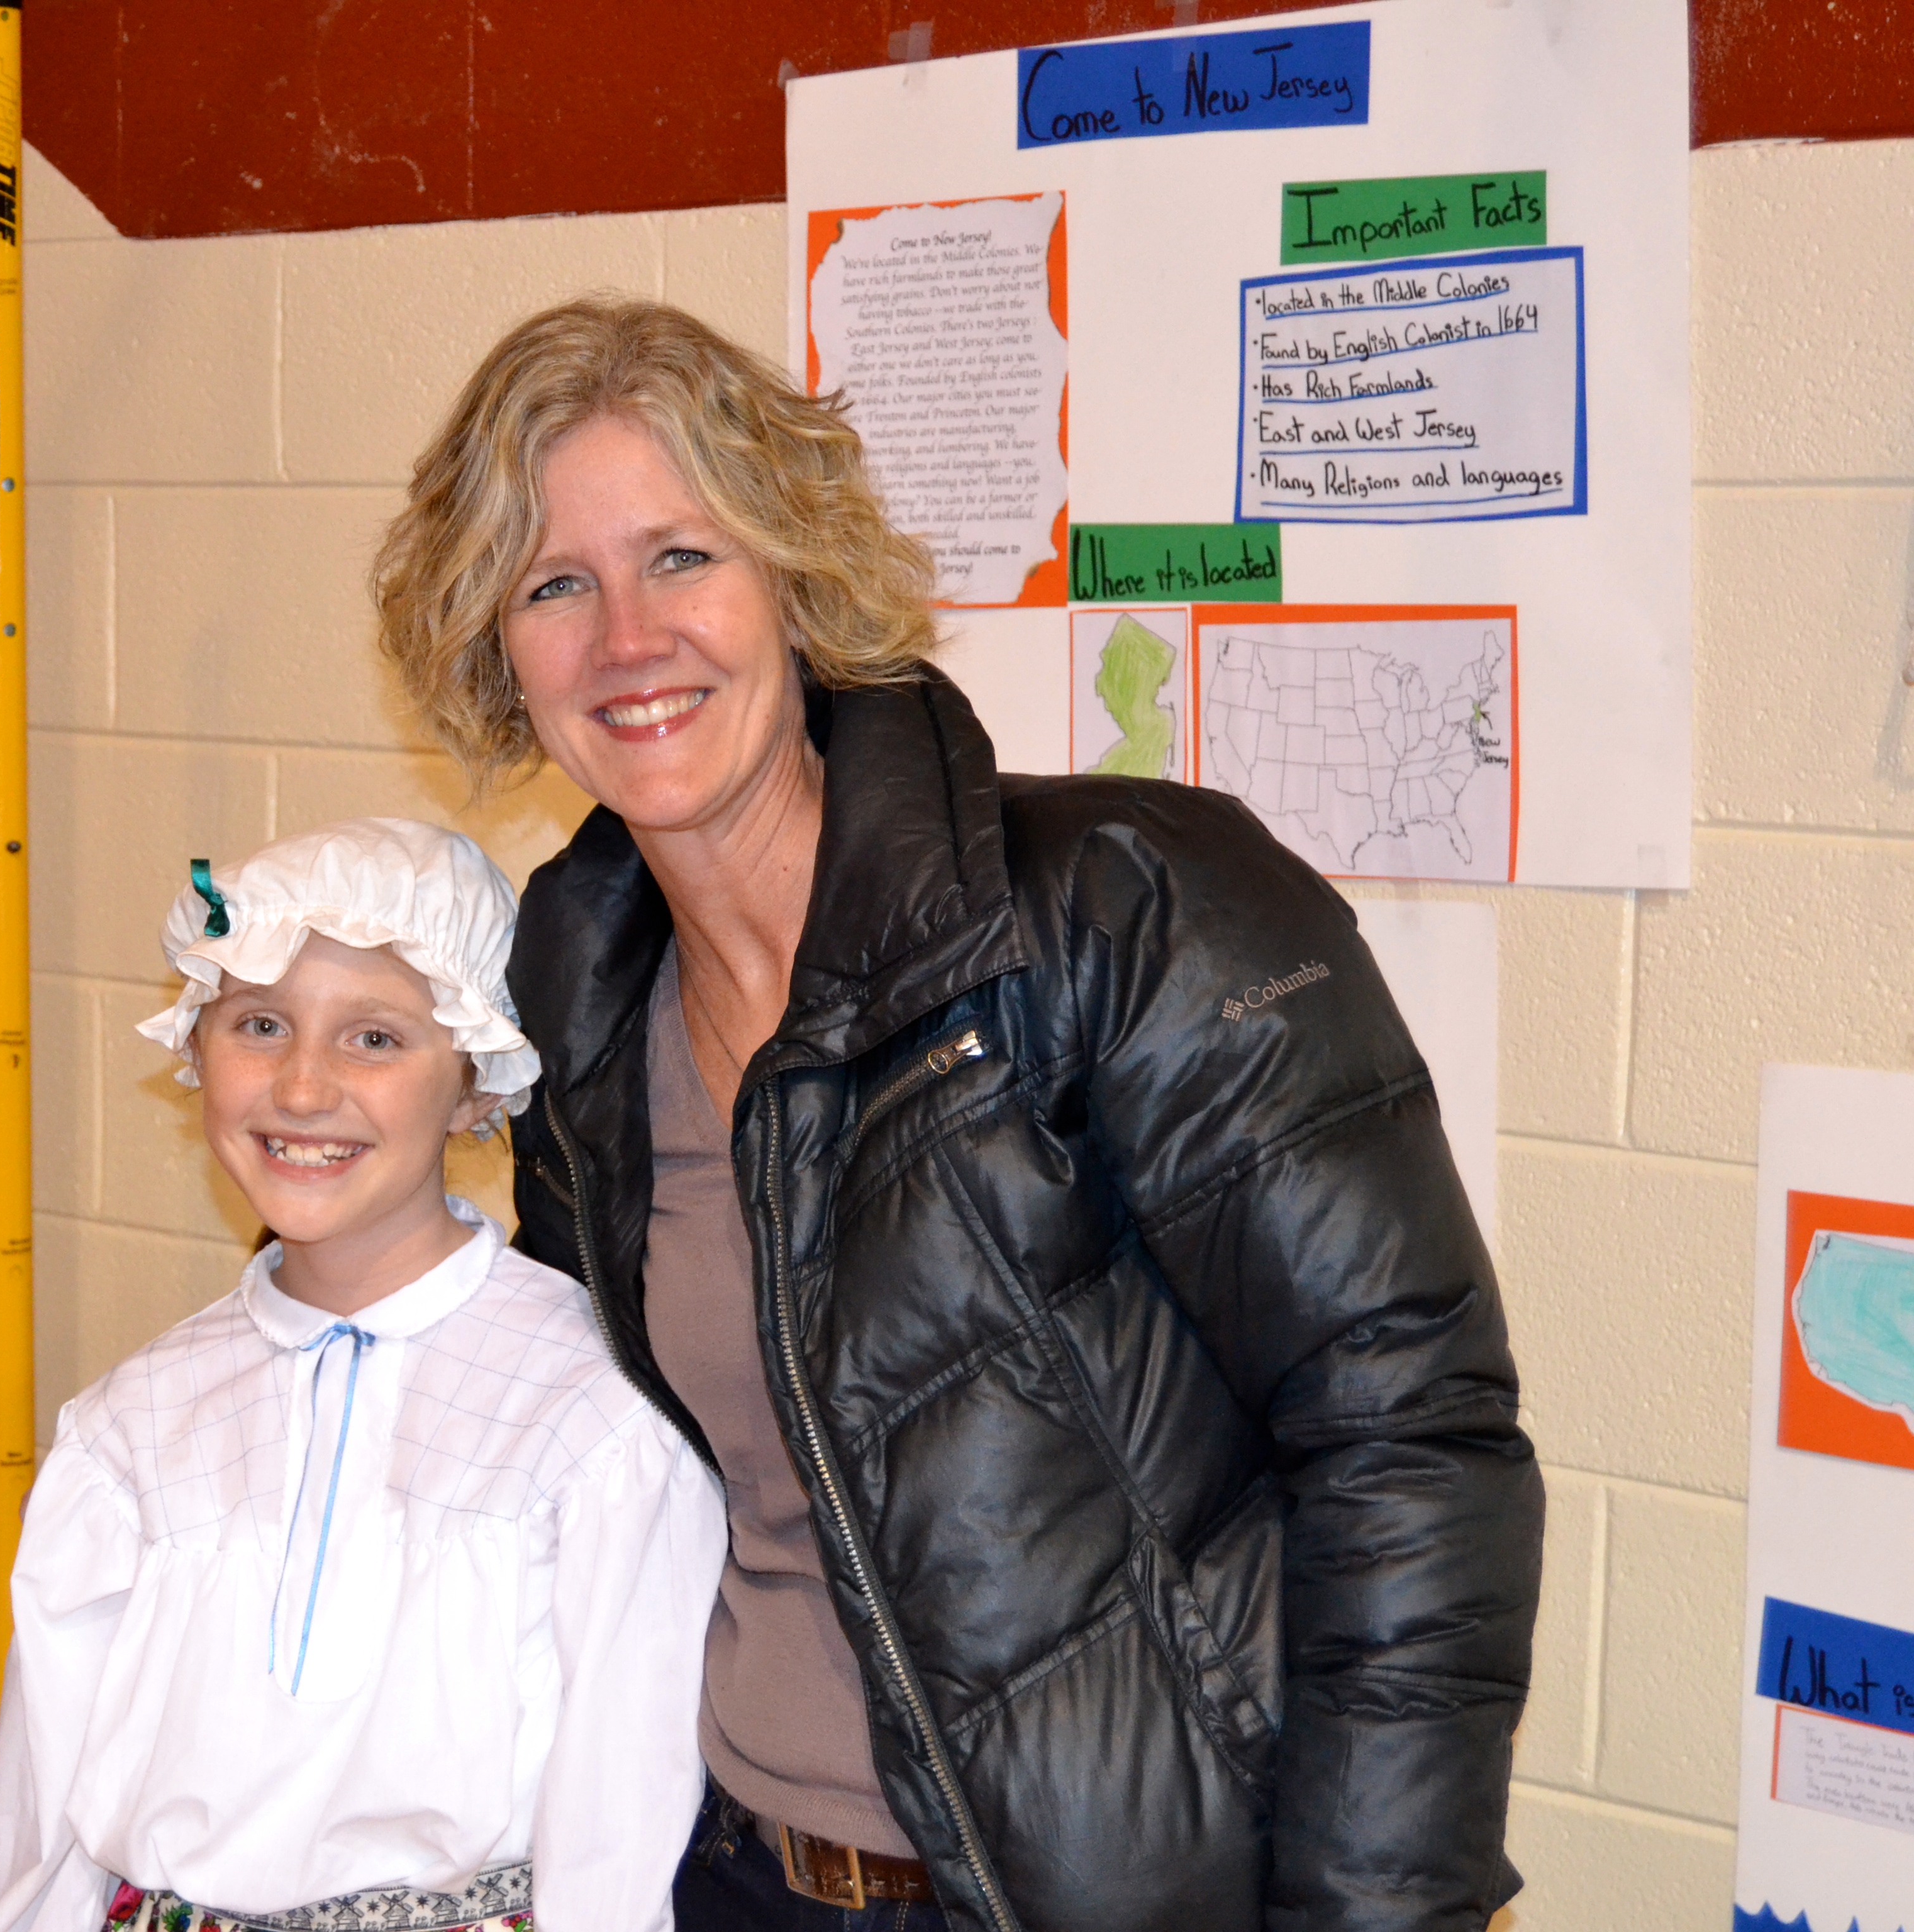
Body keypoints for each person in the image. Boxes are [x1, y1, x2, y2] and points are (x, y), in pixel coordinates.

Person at [371, 298, 1545, 1932]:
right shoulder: (575, 1001)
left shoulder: (1126, 906)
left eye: (682, 558)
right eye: (553, 585)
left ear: (794, 576)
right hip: (735, 1879)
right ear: (498, 648)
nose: (627, 639)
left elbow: (1409, 1443)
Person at [0, 817, 726, 1932]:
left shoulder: (591, 1415)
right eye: (260, 1025)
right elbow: (37, 1837)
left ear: (477, 1085)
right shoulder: (129, 1430)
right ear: (196, 1050)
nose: (304, 1088)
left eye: (374, 1038)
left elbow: (624, 1832)